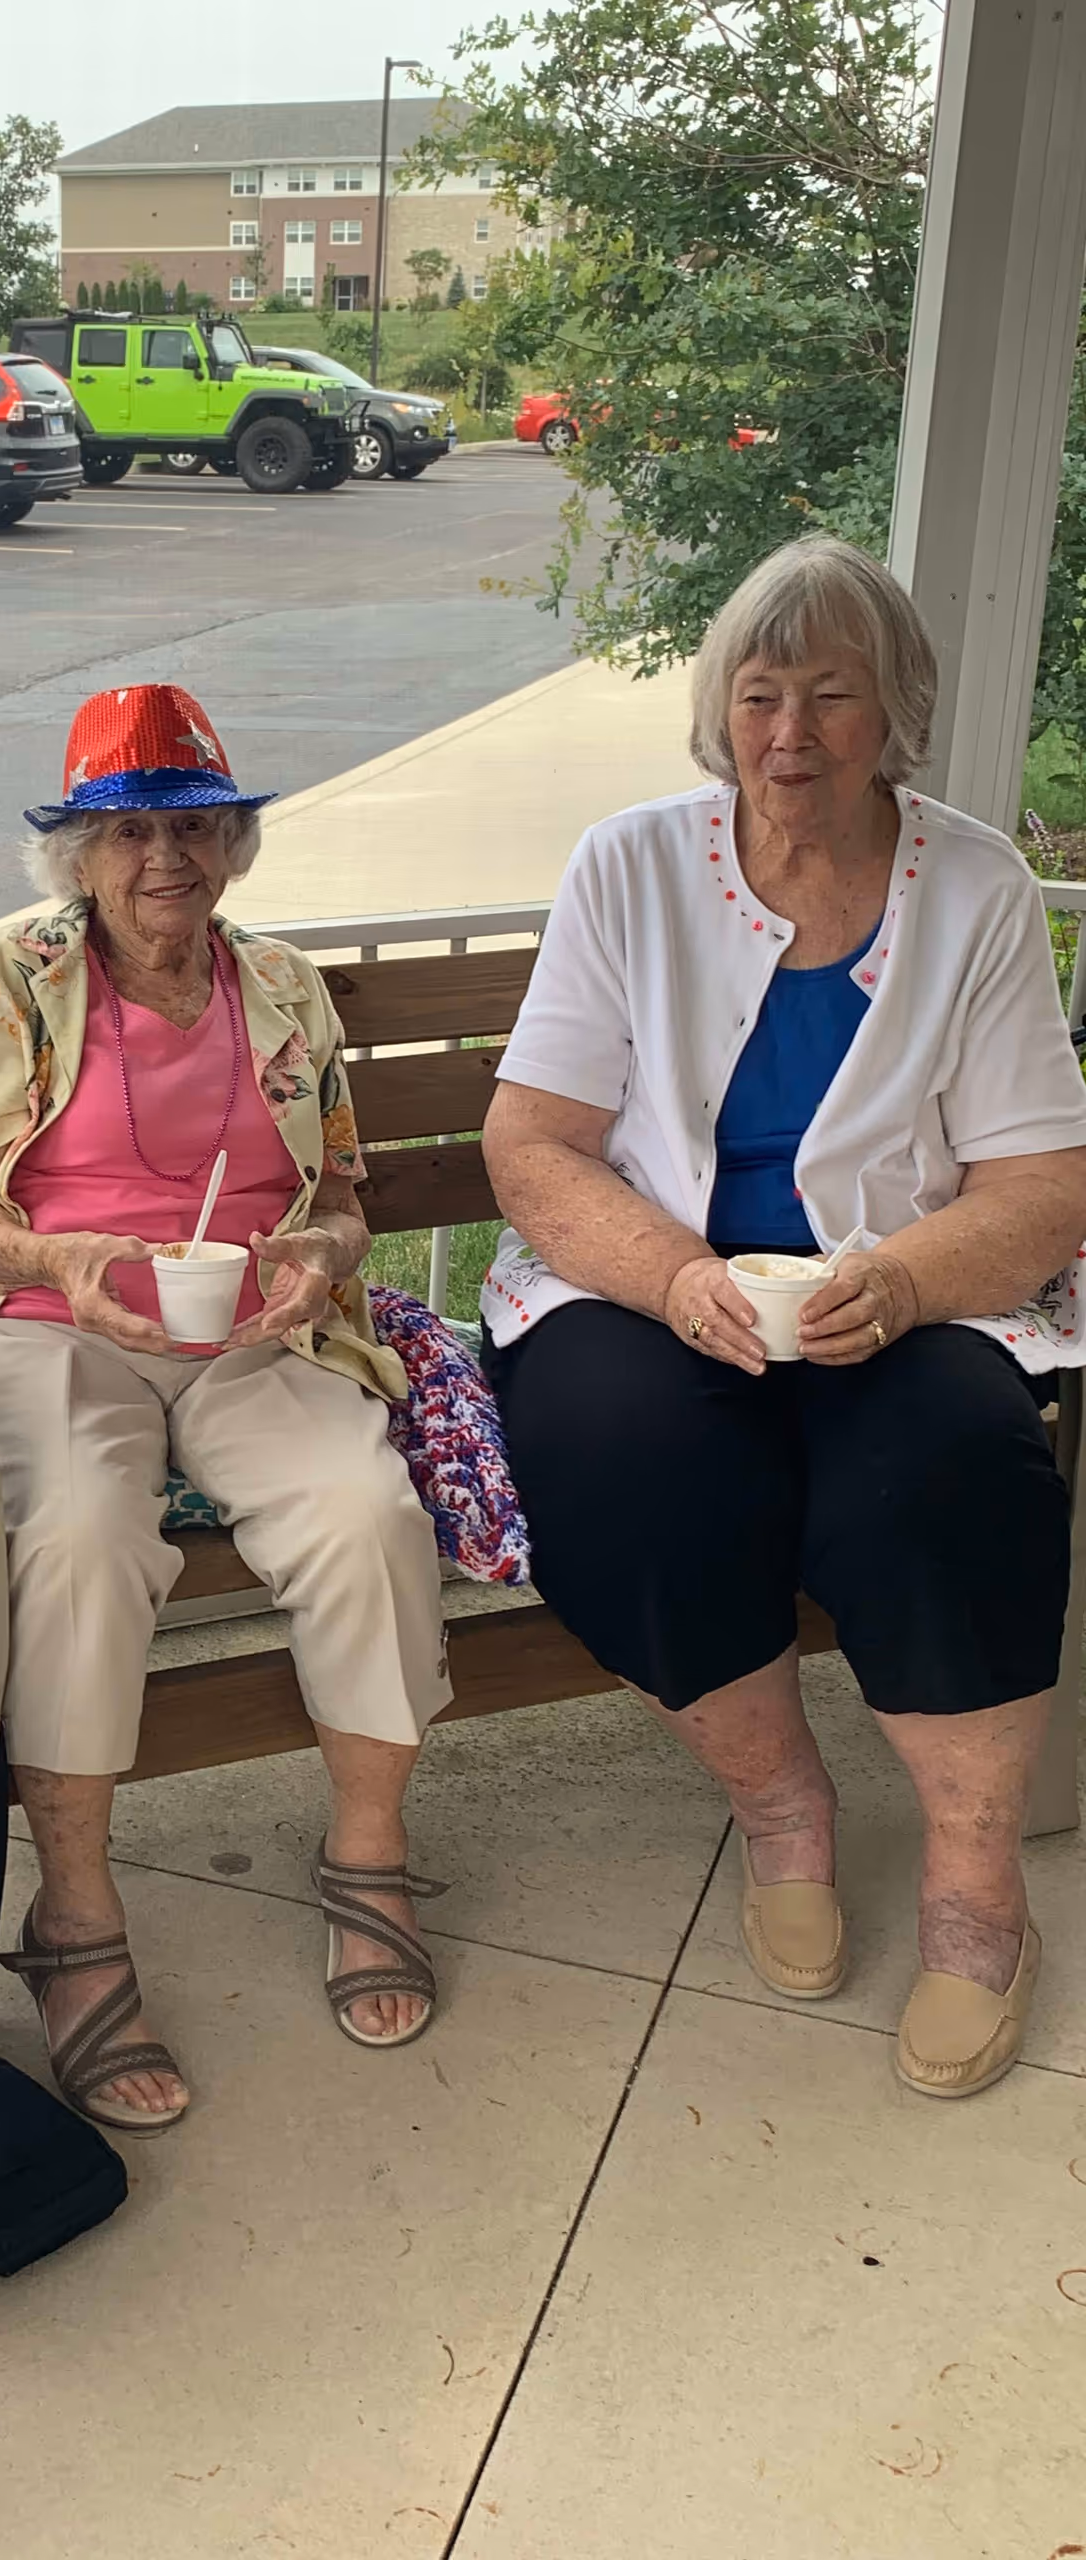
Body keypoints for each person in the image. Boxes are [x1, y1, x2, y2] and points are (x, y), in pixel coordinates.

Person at [480, 535, 1086, 2100]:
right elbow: (534, 1143)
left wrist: (908, 1279)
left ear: (897, 713)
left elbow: (1038, 1182)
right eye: (762, 696)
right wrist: (674, 1276)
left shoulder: (978, 886)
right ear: (718, 709)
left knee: (949, 1468)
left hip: (903, 1288)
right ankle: (783, 1812)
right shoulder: (630, 865)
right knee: (620, 1457)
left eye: (834, 697)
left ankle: (971, 1881)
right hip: (651, 1282)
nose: (793, 736)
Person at [0, 684, 451, 2135]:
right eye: (128, 829)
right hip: (47, 1331)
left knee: (364, 1509)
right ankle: (73, 1918)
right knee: (78, 1533)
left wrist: (322, 1254)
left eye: (196, 827)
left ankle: (371, 1857)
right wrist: (58, 1258)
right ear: (77, 852)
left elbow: (338, 1189)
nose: (166, 860)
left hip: (252, 1328)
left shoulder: (279, 987)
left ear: (234, 844)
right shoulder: (3, 978)